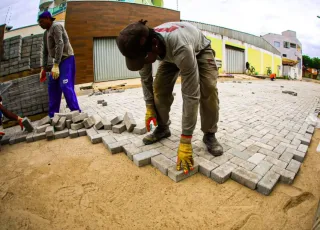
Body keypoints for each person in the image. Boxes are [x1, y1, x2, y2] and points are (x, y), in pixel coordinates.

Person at [116, 20, 223, 174]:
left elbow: (191, 95)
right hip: (169, 54)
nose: (143, 62)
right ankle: (163, 128)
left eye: (144, 58)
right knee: (159, 89)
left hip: (199, 49)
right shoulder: (142, 47)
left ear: (154, 44)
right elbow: (146, 80)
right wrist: (149, 107)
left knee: (209, 89)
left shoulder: (181, 48)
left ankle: (209, 134)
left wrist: (186, 139)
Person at [38, 10, 81, 118]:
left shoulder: (56, 26)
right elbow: (45, 51)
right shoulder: (45, 33)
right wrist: (43, 68)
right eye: (39, 22)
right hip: (57, 62)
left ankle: (76, 112)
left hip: (67, 59)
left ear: (48, 19)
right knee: (52, 86)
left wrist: (56, 64)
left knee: (65, 84)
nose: (40, 24)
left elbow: (60, 44)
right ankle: (53, 116)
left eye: (42, 21)